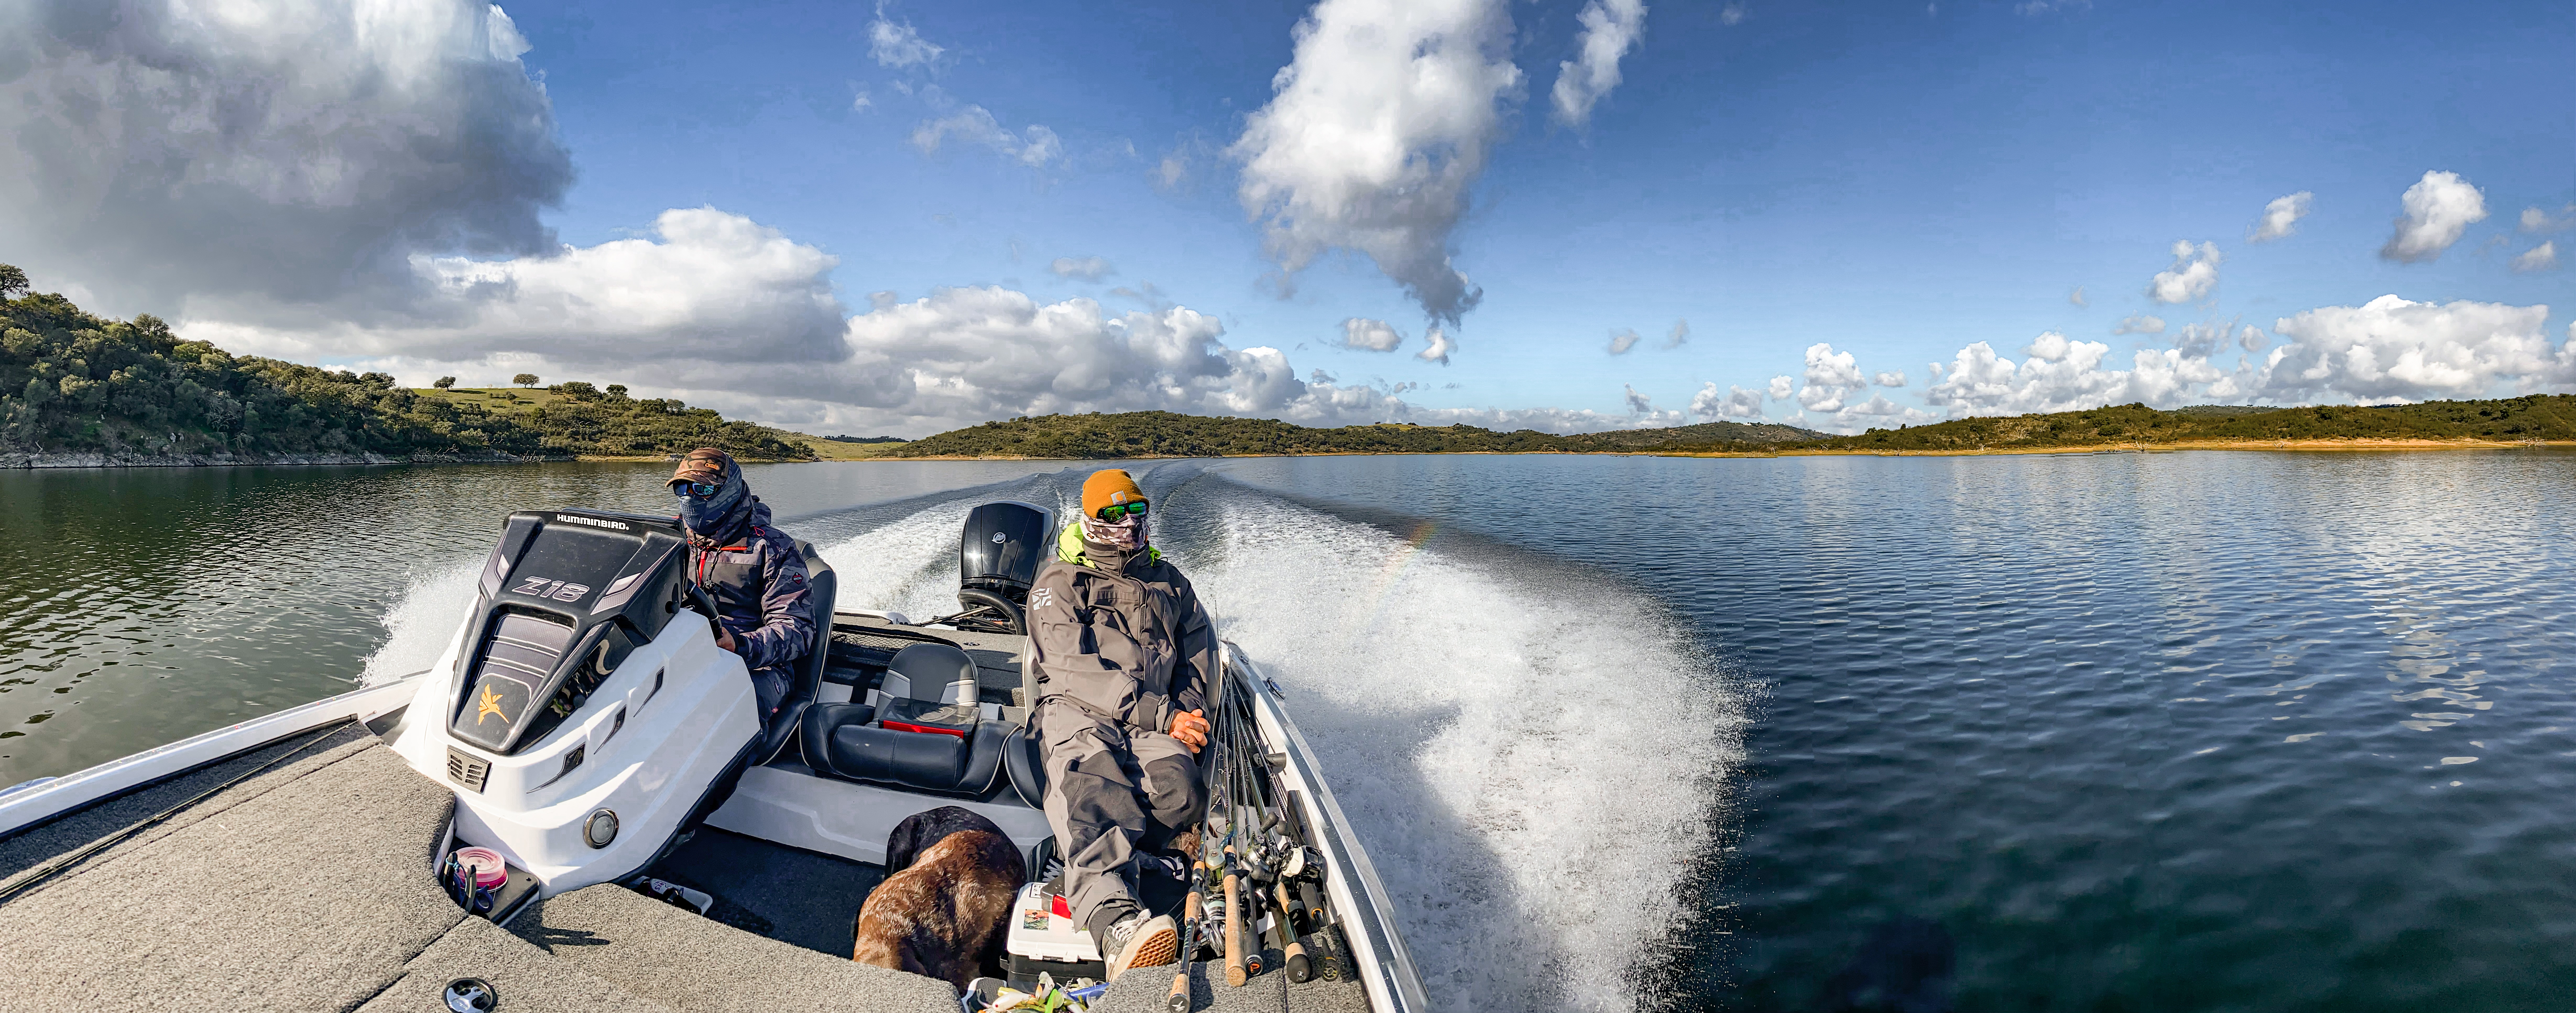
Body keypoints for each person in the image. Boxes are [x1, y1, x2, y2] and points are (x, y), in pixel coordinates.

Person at [1027, 469, 1215, 982]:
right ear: (1089, 520)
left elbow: (1196, 656)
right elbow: (1071, 669)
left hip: (1152, 716)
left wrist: (1189, 712)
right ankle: (1115, 925)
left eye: (1135, 512)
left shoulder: (1170, 581)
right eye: (1112, 515)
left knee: (1181, 786)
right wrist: (1163, 714)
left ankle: (1109, 869)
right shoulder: (1058, 581)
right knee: (1093, 781)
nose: (1127, 524)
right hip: (1077, 709)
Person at [668, 448, 815, 727]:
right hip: (677, 650)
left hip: (757, 663)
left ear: (729, 491)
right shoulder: (664, 538)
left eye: (702, 489)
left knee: (718, 715)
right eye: (682, 488)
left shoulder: (773, 548)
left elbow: (798, 629)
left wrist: (740, 644)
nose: (690, 497)